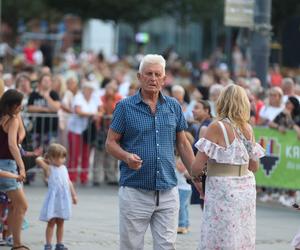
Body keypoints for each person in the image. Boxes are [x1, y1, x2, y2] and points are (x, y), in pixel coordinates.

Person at [105, 54, 197, 250]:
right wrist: (126, 156)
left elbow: (183, 144)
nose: (153, 78)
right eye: (148, 74)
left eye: (157, 74)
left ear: (164, 79)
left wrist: (197, 176)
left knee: (166, 246)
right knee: (132, 246)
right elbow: (110, 143)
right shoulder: (125, 107)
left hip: (167, 190)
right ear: (139, 76)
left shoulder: (173, 106)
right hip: (135, 190)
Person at [191, 84, 265, 250]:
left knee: (219, 236)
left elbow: (196, 167)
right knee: (241, 235)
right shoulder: (248, 129)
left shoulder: (217, 127)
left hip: (223, 187)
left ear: (222, 102)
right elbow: (254, 165)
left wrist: (200, 174)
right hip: (245, 187)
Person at [0, 89, 29, 250]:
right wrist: (22, 167)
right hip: (7, 166)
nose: (20, 108)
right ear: (14, 105)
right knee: (21, 205)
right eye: (20, 105)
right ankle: (16, 244)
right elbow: (12, 144)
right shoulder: (12, 120)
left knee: (15, 205)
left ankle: (11, 238)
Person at [35, 143, 77, 250]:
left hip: (63, 200)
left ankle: (59, 243)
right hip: (54, 200)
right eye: (58, 157)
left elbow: (68, 182)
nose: (61, 160)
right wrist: (47, 159)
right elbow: (38, 159)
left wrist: (73, 195)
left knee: (61, 222)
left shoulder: (64, 168)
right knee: (51, 222)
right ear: (51, 158)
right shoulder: (49, 168)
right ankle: (48, 244)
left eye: (63, 157)